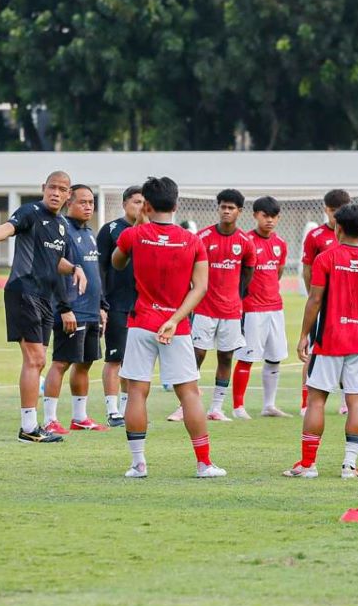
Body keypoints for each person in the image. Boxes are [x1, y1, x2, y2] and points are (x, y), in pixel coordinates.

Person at [112, 176, 226, 478]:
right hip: (176, 327)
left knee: (136, 391)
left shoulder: (133, 236)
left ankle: (138, 464)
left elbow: (117, 263)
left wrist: (137, 224)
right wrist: (174, 320)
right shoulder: (193, 241)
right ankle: (203, 464)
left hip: (140, 322)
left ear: (146, 205)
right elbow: (200, 288)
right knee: (189, 393)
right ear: (176, 205)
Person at [0, 171, 86, 444]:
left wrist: (75, 268)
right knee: (35, 359)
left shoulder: (61, 225)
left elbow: (55, 262)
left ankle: (31, 426)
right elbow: (8, 228)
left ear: (68, 194)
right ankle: (28, 428)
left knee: (39, 360)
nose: (56, 193)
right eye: (52, 188)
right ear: (43, 188)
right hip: (24, 291)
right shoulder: (29, 212)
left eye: (62, 189)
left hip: (45, 297)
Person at [284, 203, 358, 479]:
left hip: (329, 341)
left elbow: (315, 299)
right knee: (356, 404)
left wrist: (304, 334)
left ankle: (307, 465)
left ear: (338, 228)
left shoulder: (326, 259)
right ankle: (349, 466)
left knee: (316, 401)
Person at [183, 189, 256, 423]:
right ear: (218, 208)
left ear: (239, 211)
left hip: (232, 311)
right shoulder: (202, 237)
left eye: (231, 208)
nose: (226, 211)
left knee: (226, 357)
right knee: (197, 355)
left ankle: (216, 407)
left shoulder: (245, 242)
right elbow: (190, 268)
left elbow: (248, 271)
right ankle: (184, 404)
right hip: (204, 308)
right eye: (223, 206)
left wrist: (236, 295)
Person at [43, 185, 108, 435]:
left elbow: (95, 274)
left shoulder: (90, 233)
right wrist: (64, 308)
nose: (88, 206)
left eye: (91, 202)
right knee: (61, 362)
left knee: (85, 363)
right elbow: (55, 270)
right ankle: (49, 419)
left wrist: (102, 306)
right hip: (72, 310)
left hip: (91, 311)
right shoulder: (62, 230)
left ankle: (79, 417)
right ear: (69, 202)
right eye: (82, 202)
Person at [231, 196, 291, 418]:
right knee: (246, 356)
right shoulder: (246, 241)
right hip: (252, 308)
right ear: (255, 215)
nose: (270, 220)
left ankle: (269, 405)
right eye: (265, 216)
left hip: (275, 308)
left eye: (274, 216)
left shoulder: (280, 244)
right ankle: (238, 407)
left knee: (275, 357)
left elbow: (278, 272)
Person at [95, 185, 143, 427]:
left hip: (143, 307)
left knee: (134, 362)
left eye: (144, 202)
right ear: (125, 204)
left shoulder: (151, 232)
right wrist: (101, 302)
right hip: (117, 303)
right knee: (115, 359)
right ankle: (112, 410)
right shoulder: (111, 230)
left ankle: (126, 410)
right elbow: (100, 267)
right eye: (136, 202)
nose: (140, 207)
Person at [300, 189, 351, 415]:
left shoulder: (351, 233)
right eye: (332, 212)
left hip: (346, 304)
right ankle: (305, 402)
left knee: (347, 351)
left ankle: (345, 402)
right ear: (326, 210)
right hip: (323, 304)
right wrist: (316, 296)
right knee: (312, 350)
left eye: (340, 212)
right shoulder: (315, 236)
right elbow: (307, 270)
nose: (336, 217)